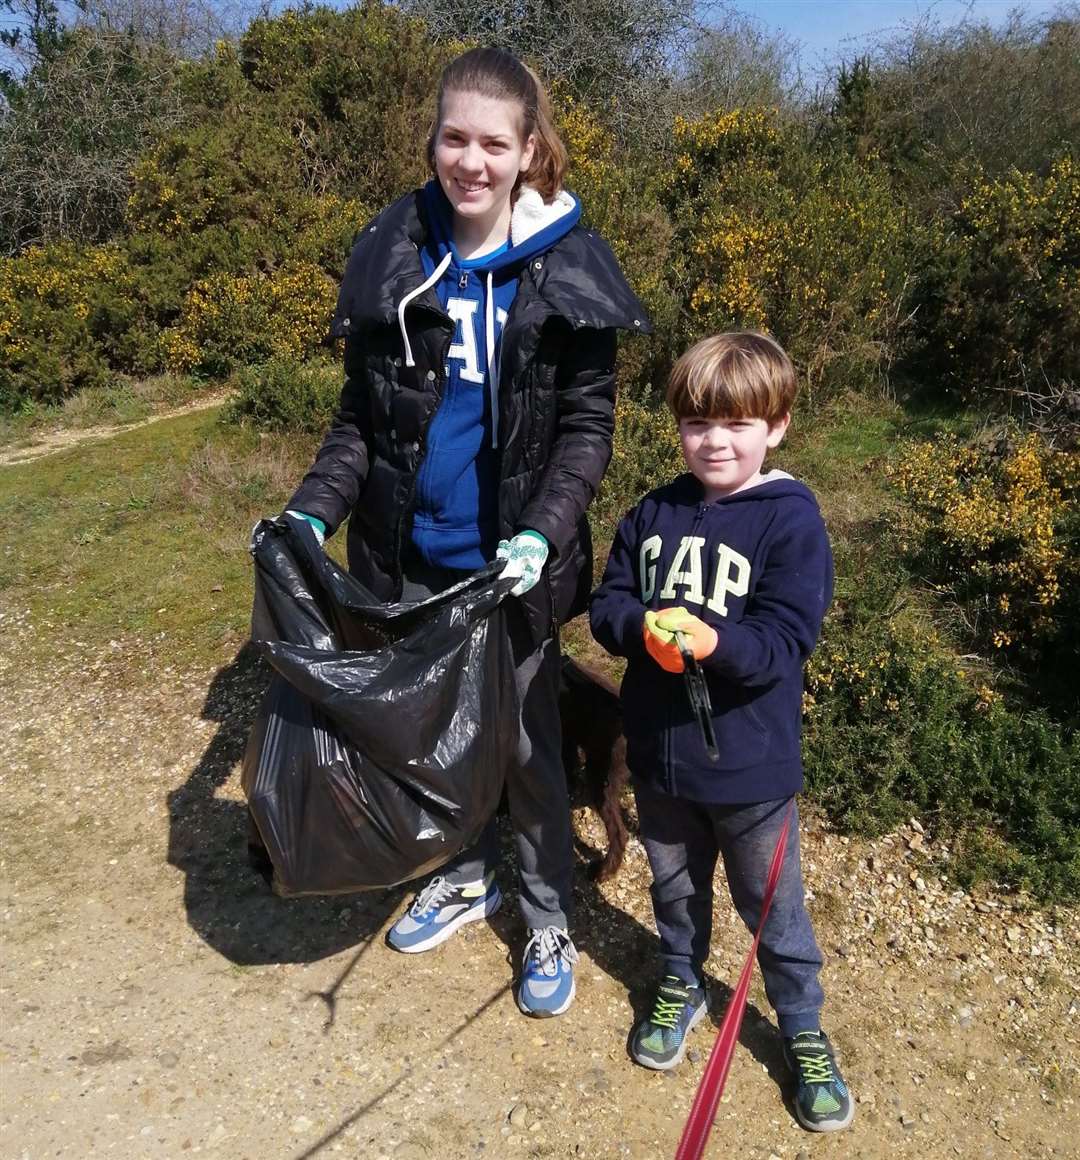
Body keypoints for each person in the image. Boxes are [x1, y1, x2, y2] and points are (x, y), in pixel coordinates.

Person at [281, 46, 649, 1018]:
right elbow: (359, 421)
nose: (472, 160)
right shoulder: (396, 253)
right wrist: (313, 508)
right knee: (441, 742)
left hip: (513, 570)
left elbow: (587, 427)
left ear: (529, 149)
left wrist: (542, 531)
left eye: (495, 141)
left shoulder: (568, 262)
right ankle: (469, 868)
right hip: (410, 563)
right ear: (433, 138)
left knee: (528, 749)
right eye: (456, 137)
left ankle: (543, 909)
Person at [588, 332, 854, 1131]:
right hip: (662, 763)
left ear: (775, 427)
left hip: (752, 772)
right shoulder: (654, 511)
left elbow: (782, 644)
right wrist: (643, 631)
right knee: (673, 886)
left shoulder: (790, 523)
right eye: (698, 423)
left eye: (737, 424)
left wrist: (713, 642)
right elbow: (607, 606)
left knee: (774, 912)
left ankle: (802, 1028)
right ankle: (680, 978)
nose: (715, 440)